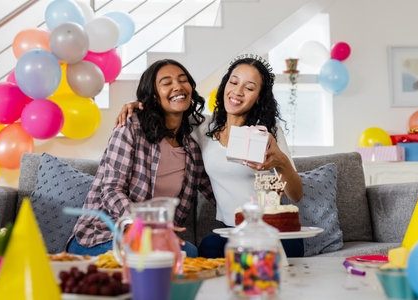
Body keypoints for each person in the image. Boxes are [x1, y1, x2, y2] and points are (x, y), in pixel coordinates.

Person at [116, 54, 304, 257]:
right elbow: (169, 105)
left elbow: (296, 195)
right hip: (231, 232)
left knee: (261, 257)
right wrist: (137, 105)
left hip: (270, 232)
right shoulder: (202, 126)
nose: (237, 92)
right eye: (233, 82)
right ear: (224, 86)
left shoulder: (267, 131)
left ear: (259, 96)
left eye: (249, 88)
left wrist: (282, 163)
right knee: (207, 248)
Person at [68, 59, 216, 258]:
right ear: (154, 96)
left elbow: (216, 190)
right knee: (166, 256)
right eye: (167, 82)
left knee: (188, 253)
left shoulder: (192, 150)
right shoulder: (131, 127)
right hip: (103, 236)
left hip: (157, 241)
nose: (178, 86)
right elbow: (111, 189)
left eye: (183, 80)